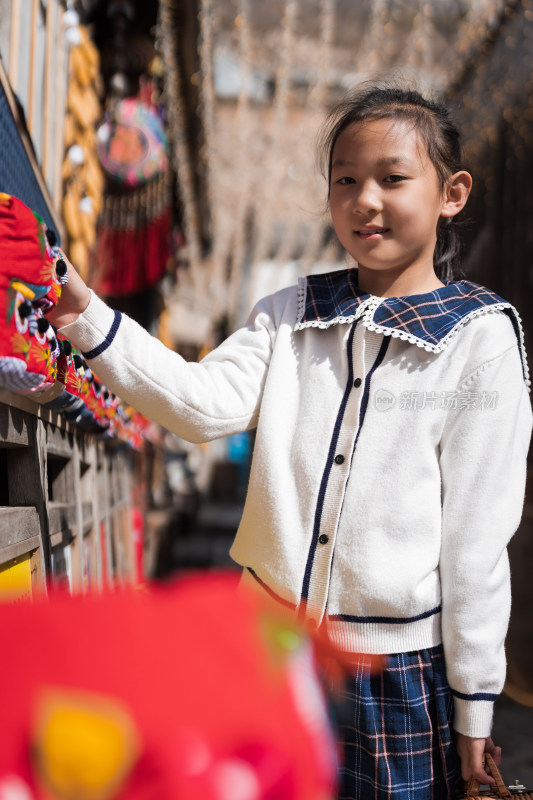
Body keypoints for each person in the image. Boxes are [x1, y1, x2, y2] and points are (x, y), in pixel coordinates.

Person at [48, 85, 532, 799]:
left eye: (392, 178)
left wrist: (473, 708)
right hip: (266, 650)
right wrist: (83, 314)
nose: (364, 199)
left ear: (450, 193)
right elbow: (199, 405)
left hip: (395, 675)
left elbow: (475, 542)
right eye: (345, 180)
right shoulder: (290, 312)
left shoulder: (479, 337)